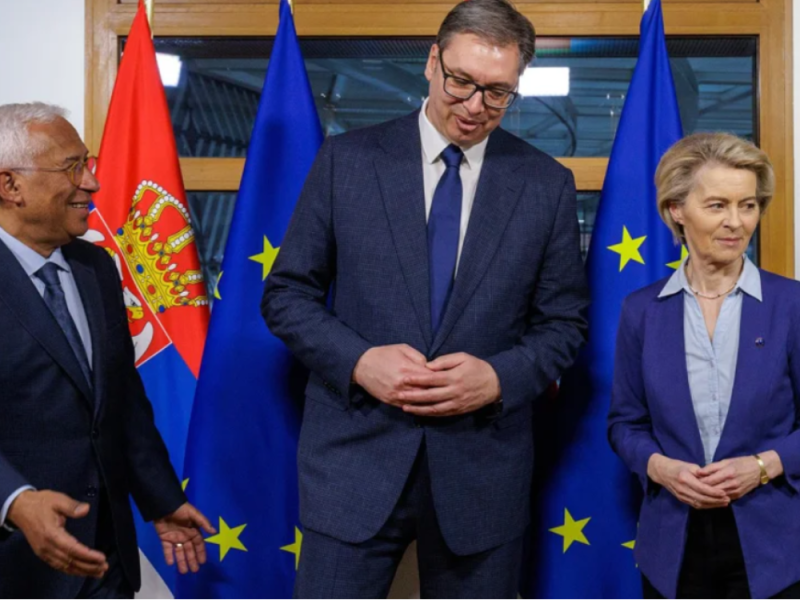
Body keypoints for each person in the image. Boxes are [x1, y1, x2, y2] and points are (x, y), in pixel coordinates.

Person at [261, 0, 589, 597]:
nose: (475, 106)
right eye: (462, 81)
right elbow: (286, 294)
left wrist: (498, 378)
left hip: (481, 475)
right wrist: (360, 362)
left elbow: (564, 323)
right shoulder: (346, 161)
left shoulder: (546, 184)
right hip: (352, 465)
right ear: (432, 62)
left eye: (497, 92)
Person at [0, 102, 215, 600]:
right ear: (10, 185)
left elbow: (120, 401)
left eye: (88, 163)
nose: (92, 183)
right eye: (72, 167)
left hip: (104, 560)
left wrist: (161, 500)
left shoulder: (95, 266)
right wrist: (14, 500)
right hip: (14, 566)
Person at [608, 132, 800, 600]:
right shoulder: (642, 311)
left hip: (774, 548)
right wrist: (660, 468)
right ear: (677, 209)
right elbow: (625, 424)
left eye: (748, 205)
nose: (736, 222)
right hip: (671, 546)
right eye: (717, 205)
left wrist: (763, 465)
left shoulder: (791, 305)